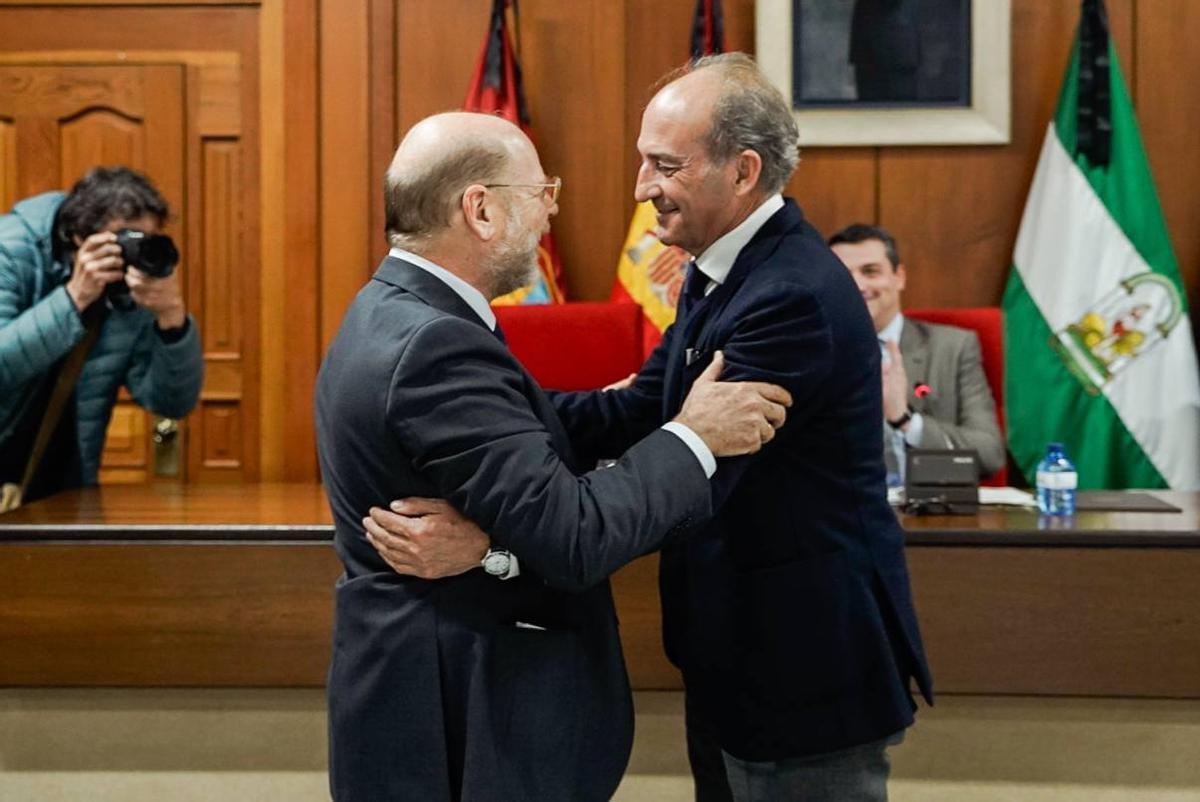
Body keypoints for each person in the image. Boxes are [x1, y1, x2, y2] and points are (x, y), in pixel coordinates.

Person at [367, 54, 933, 802]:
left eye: (664, 165)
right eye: (643, 160)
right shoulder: (718, 268)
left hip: (805, 666)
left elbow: (695, 480)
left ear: (743, 172)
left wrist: (497, 542)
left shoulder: (787, 295)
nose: (641, 189)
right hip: (737, 656)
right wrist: (488, 415)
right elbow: (641, 413)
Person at [313, 110, 793, 802]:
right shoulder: (436, 344)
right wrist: (694, 436)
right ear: (479, 209)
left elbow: (512, 448)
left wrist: (492, 547)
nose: (551, 209)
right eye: (541, 191)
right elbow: (574, 537)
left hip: (428, 699)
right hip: (463, 717)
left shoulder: (390, 308)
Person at [0, 167, 203, 502]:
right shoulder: (10, 251)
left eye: (144, 242)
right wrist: (74, 298)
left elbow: (171, 403)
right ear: (80, 235)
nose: (131, 256)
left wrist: (172, 318)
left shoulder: (128, 292)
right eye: (123, 241)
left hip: (60, 485)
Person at [828, 223, 1005, 481]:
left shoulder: (952, 348)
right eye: (843, 274)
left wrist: (906, 421)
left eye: (870, 271)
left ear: (899, 277)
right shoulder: (809, 351)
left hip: (928, 511)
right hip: (837, 509)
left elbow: (989, 455)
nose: (857, 284)